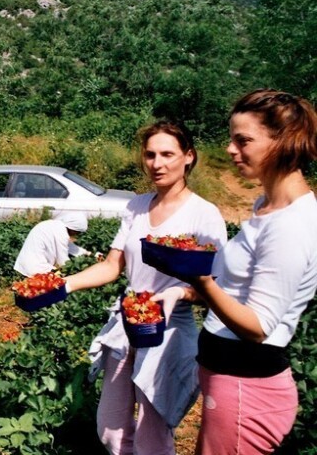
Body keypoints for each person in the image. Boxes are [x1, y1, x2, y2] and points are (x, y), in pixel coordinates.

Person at [63, 120, 227, 454]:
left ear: (189, 157)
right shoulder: (136, 206)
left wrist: (179, 292)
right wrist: (62, 284)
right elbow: (112, 265)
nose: (157, 163)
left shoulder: (204, 215)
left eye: (168, 154)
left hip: (170, 328)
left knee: (152, 432)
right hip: (128, 320)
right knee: (109, 427)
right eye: (150, 154)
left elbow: (216, 287)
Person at [171, 90, 317, 454]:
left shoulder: (291, 225)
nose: (231, 150)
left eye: (244, 140)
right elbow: (240, 291)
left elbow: (257, 326)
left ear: (283, 142)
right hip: (230, 381)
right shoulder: (265, 206)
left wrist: (199, 279)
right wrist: (192, 292)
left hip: (246, 386)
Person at [13, 211, 90, 277]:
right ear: (73, 228)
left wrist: (86, 253)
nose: (77, 234)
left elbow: (69, 246)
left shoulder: (54, 225)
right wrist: (74, 272)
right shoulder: (61, 234)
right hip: (37, 267)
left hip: (26, 262)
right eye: (78, 232)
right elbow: (63, 261)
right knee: (59, 279)